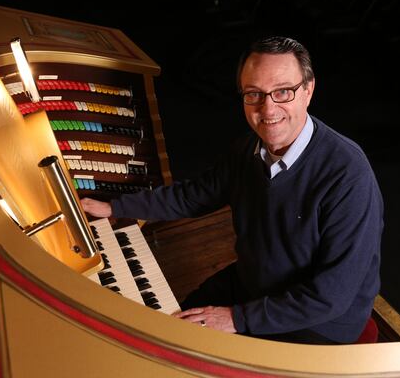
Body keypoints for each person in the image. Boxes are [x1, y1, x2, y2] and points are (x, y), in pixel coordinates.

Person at [80, 36, 383, 345]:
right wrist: (115, 208)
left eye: (283, 92)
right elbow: (193, 195)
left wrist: (236, 318)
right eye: (255, 94)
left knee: (199, 355)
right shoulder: (248, 149)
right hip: (255, 284)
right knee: (170, 330)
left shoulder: (348, 175)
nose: (268, 108)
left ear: (308, 90)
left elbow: (330, 296)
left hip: (317, 321)